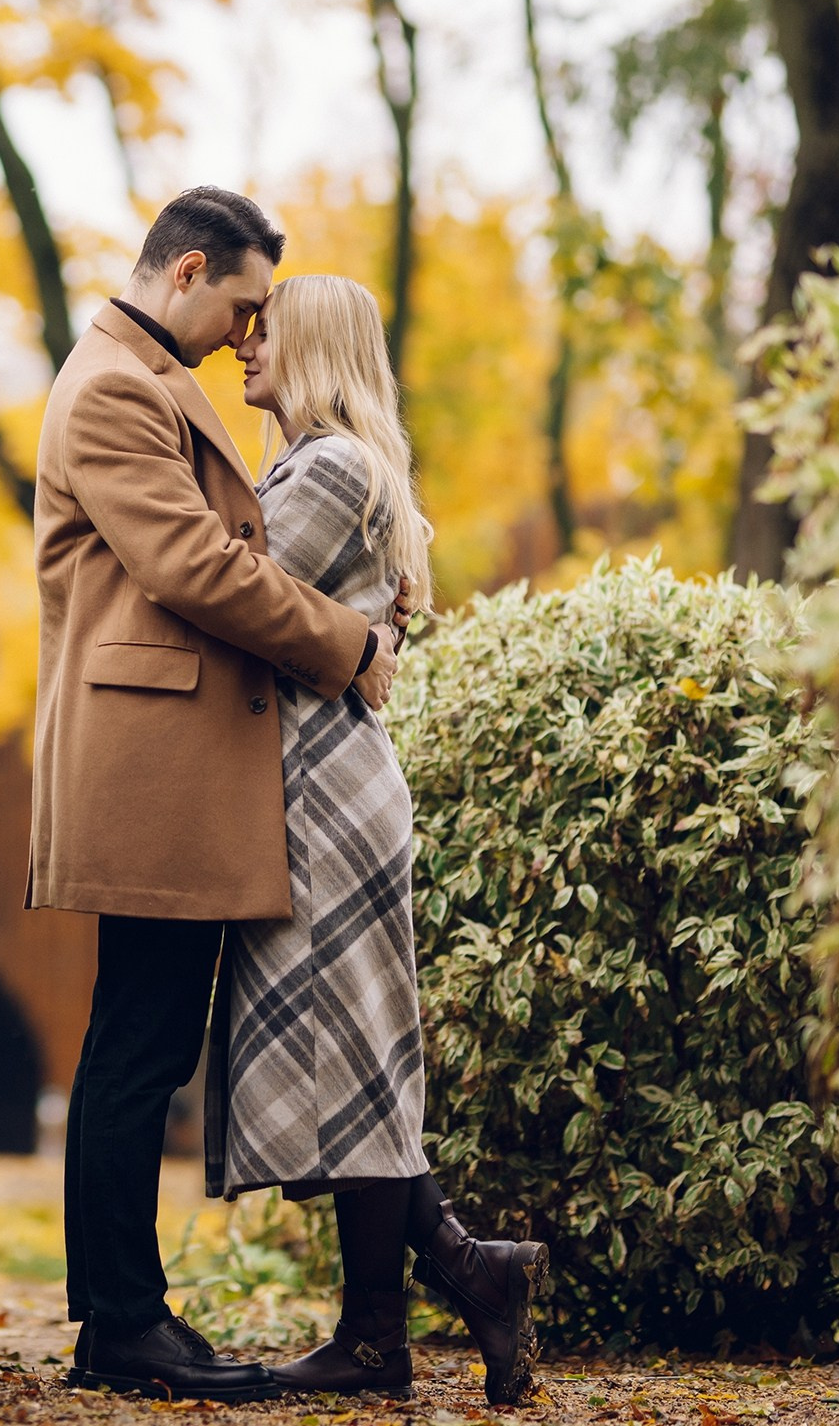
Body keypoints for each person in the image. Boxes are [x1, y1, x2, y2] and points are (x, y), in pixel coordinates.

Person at [30, 188, 407, 1404]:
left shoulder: (139, 378)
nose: (250, 335)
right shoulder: (113, 387)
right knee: (137, 1043)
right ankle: (123, 1322)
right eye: (243, 305)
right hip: (148, 758)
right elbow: (193, 565)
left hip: (172, 755)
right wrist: (349, 643)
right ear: (187, 271)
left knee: (141, 1039)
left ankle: (124, 1316)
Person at [215, 274, 549, 1407]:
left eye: (269, 330)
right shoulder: (328, 464)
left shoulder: (333, 468)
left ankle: (390, 1329)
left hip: (326, 795)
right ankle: (453, 1281)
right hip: (326, 787)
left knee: (358, 1057)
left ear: (315, 347)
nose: (246, 346)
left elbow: (235, 597)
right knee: (358, 1056)